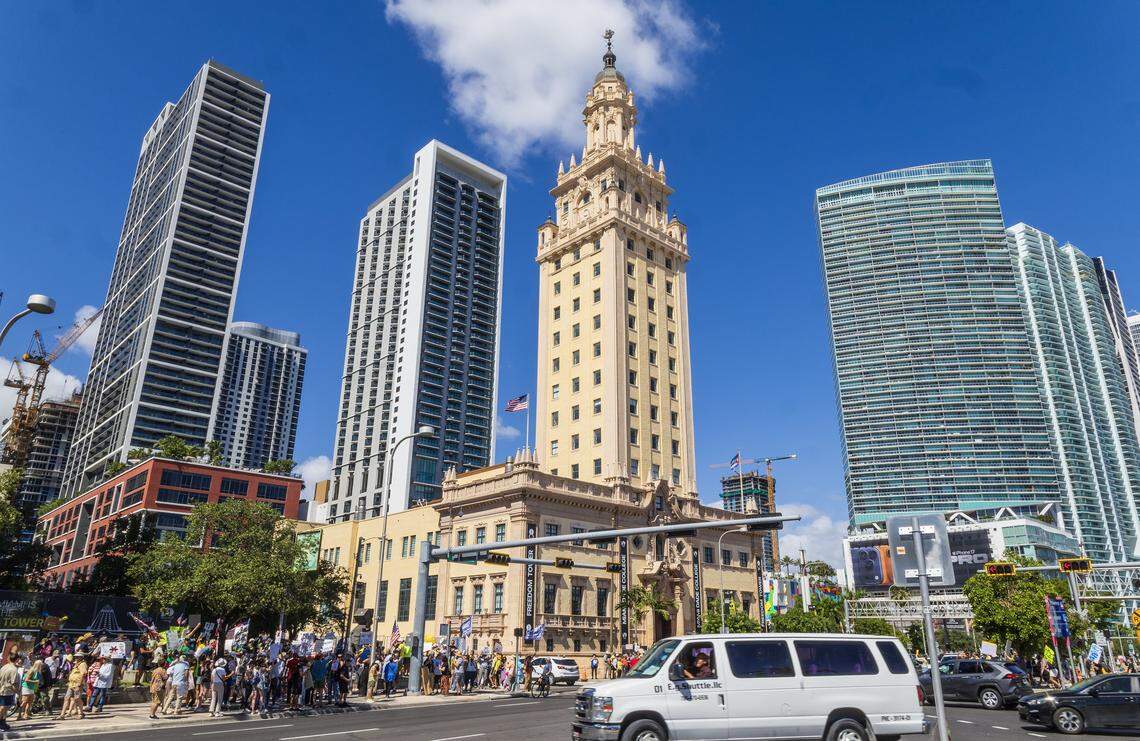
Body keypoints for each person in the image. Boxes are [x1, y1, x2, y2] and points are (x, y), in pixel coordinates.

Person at [0, 653, 20, 731]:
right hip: (7, 691)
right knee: (3, 708)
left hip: (2, 689)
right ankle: (1, 724)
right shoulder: (14, 670)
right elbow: (14, 684)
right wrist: (18, 693)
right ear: (17, 660)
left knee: (4, 708)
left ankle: (3, 723)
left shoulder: (4, 667)